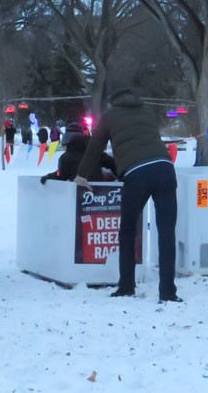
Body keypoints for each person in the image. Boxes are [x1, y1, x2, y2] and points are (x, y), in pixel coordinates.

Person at [75, 86, 181, 303]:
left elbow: (95, 148)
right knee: (167, 232)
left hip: (136, 173)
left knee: (127, 231)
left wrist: (81, 176)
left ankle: (126, 286)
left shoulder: (109, 117)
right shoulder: (147, 112)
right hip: (164, 168)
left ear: (114, 102)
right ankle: (168, 292)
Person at [41, 123, 116, 183]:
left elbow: (61, 175)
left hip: (78, 192)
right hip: (99, 193)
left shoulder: (66, 158)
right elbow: (112, 163)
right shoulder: (95, 154)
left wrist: (49, 176)